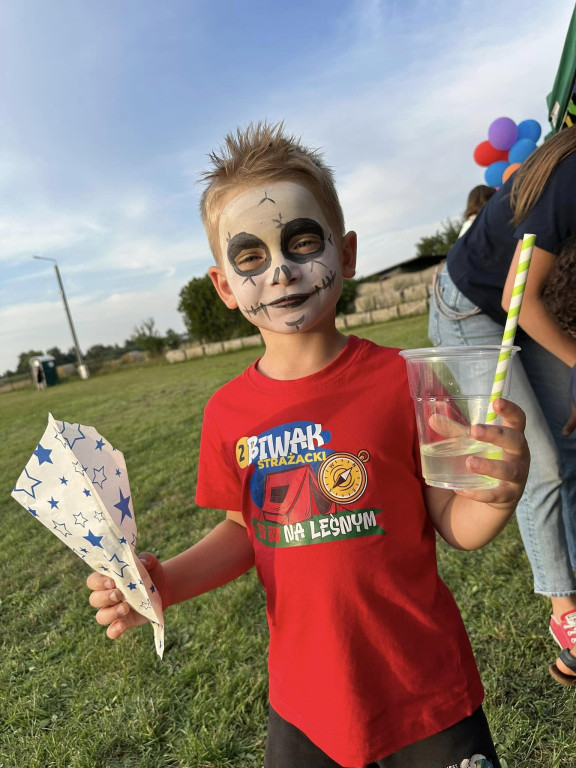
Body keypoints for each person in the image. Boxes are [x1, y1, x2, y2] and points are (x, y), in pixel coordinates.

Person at [87, 122, 529, 767]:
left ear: (345, 254)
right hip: (305, 704)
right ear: (224, 287)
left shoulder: (409, 381)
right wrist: (162, 584)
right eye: (250, 257)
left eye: (302, 242)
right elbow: (247, 529)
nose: (282, 271)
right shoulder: (228, 412)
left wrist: (495, 493)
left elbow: (454, 523)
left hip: (426, 691)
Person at [428, 125, 576, 687]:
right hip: (470, 307)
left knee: (569, 439)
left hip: (516, 305)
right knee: (535, 458)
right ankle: (568, 619)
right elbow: (526, 295)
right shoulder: (574, 171)